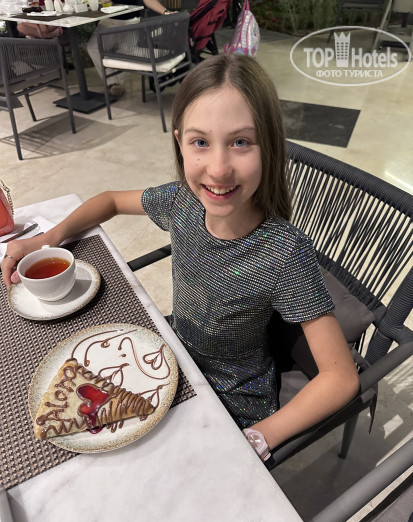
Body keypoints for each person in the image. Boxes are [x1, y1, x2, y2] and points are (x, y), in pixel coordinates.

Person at [1, 54, 359, 464]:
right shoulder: (181, 202)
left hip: (233, 397)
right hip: (170, 358)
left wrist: (259, 438)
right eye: (200, 142)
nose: (218, 169)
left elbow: (340, 377)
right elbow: (110, 201)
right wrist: (48, 239)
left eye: (241, 142)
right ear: (179, 143)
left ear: (269, 146)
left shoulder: (284, 252)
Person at [86, 0, 176, 98]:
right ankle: (113, 83)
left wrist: (166, 12)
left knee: (126, 52)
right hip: (107, 21)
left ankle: (115, 84)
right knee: (93, 48)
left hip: (129, 21)